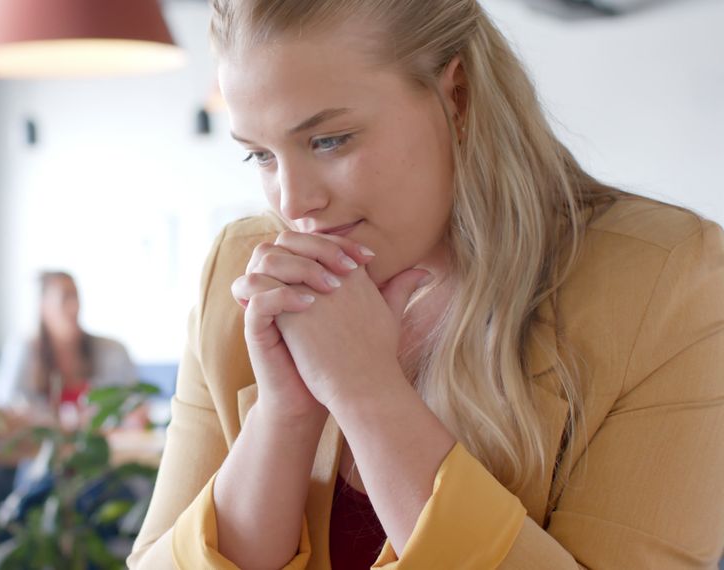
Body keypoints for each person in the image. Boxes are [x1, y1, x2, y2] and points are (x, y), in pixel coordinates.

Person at [128, 1, 724, 569]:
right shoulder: (240, 271)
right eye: (259, 156)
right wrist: (285, 417)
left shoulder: (670, 282)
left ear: (457, 97)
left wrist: (368, 396)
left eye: (329, 140)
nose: (293, 201)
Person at [0, 271, 138, 425]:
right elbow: (3, 407)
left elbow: (133, 404)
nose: (74, 308)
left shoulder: (112, 351)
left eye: (76, 297)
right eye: (65, 298)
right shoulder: (22, 349)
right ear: (43, 307)